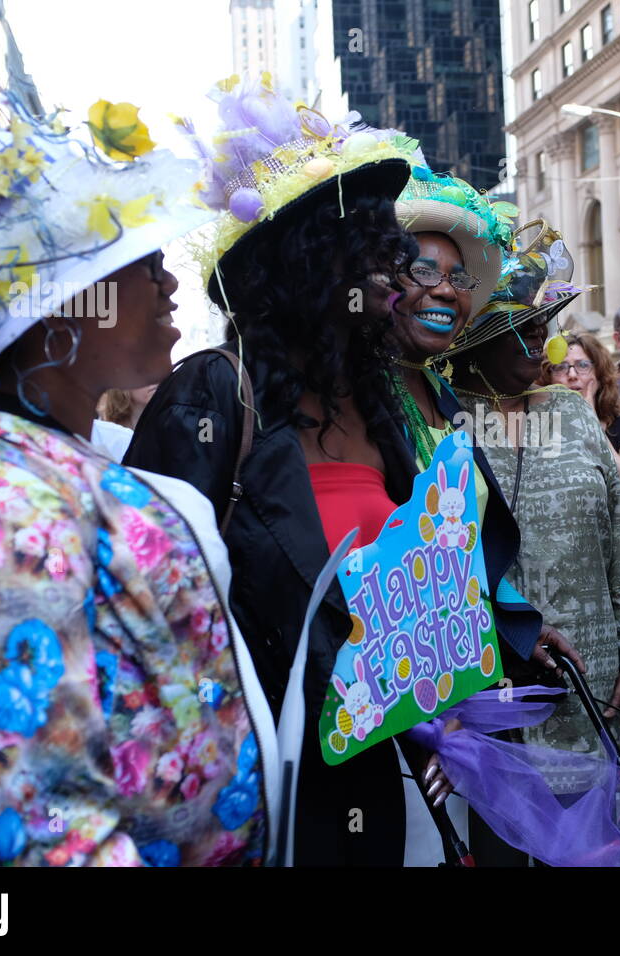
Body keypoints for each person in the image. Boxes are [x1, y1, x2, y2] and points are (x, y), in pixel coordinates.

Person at [0, 75, 272, 865]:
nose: (169, 282)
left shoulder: (41, 465)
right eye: (138, 262)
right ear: (56, 308)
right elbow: (29, 827)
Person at [125, 80, 463, 866]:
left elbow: (415, 578)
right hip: (270, 783)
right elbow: (153, 618)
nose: (396, 274)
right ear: (310, 264)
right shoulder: (214, 394)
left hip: (392, 767)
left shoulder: (376, 401)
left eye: (393, 253)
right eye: (372, 253)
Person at [388, 165, 584, 863]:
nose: (445, 288)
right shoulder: (357, 399)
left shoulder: (439, 401)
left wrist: (517, 629)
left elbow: (463, 548)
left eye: (458, 276)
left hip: (475, 683)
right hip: (395, 708)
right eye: (421, 269)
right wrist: (420, 715)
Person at [448, 222, 620, 812]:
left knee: (595, 835)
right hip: (491, 689)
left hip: (592, 683)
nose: (541, 340)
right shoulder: (436, 425)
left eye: (542, 326)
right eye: (520, 329)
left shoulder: (571, 412)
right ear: (474, 342)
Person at [542, 330, 620, 500]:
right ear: (549, 378)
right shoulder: (540, 428)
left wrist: (591, 421)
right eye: (561, 367)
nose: (573, 375)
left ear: (599, 373)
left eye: (583, 365)